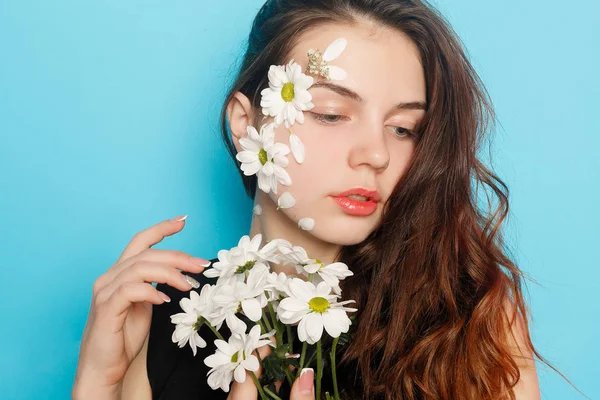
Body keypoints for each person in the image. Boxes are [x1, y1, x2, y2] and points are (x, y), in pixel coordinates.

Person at [71, 0, 574, 398]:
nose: (375, 154)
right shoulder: (167, 316)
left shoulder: (468, 318)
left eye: (404, 128)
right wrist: (96, 384)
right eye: (332, 114)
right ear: (247, 123)